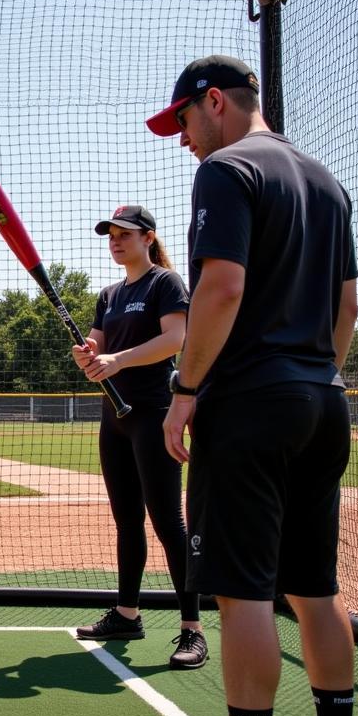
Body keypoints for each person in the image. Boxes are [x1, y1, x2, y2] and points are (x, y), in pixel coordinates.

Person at [147, 56, 358, 716]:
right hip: (321, 400)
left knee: (241, 593)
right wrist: (312, 375)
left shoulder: (228, 170)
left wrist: (186, 388)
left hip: (249, 405)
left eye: (182, 123)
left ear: (215, 104)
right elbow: (347, 306)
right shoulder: (326, 181)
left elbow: (221, 289)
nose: (182, 142)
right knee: (314, 586)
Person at [71, 205, 207, 670]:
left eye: (124, 234)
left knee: (168, 522)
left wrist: (118, 360)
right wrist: (88, 355)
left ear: (148, 238)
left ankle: (193, 629)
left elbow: (176, 339)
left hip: (153, 413)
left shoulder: (165, 283)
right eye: (110, 234)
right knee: (127, 521)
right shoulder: (109, 295)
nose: (115, 240)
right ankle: (127, 613)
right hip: (115, 418)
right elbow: (97, 352)